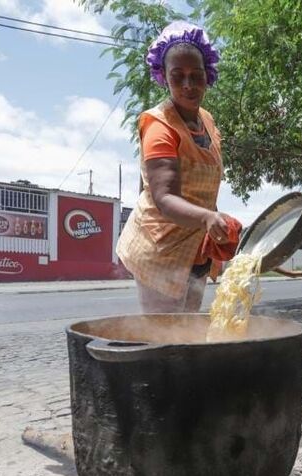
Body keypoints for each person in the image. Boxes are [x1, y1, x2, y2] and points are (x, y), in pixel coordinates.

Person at [116, 21, 241, 313]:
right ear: (164, 78)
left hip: (196, 248)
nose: (188, 84)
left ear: (207, 76)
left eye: (196, 76)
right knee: (165, 340)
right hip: (161, 250)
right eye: (178, 76)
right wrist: (209, 218)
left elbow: (203, 189)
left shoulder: (207, 121)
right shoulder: (160, 126)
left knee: (187, 335)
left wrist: (215, 222)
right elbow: (165, 198)